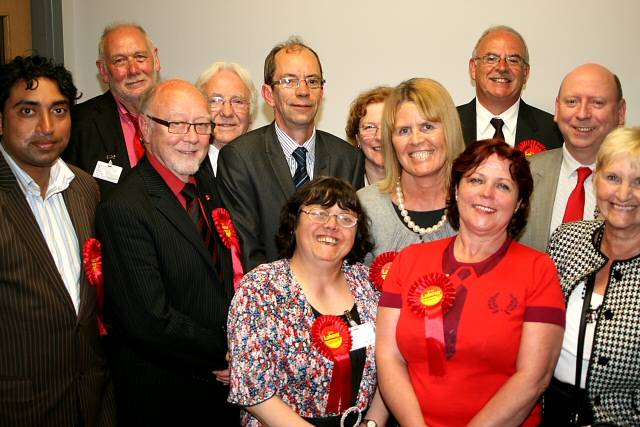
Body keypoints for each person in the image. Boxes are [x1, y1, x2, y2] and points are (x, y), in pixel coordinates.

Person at [376, 139, 566, 426]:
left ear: (520, 203)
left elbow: (534, 378)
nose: (487, 193)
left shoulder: (539, 270)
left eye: (503, 186)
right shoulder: (409, 260)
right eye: (476, 179)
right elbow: (389, 357)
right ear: (455, 189)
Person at [95, 80, 239, 425]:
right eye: (175, 124)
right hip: (166, 396)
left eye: (202, 125)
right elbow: (150, 319)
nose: (191, 137)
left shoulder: (204, 185)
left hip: (219, 393)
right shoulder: (124, 208)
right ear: (145, 127)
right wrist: (224, 352)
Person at [0, 55, 115, 425]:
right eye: (28, 111)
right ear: (1, 119)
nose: (47, 126)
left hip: (90, 401)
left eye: (59, 110)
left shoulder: (84, 187)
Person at [228, 177, 387, 427]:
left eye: (346, 218)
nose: (332, 225)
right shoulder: (260, 289)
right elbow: (253, 391)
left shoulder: (367, 284)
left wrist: (372, 423)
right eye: (319, 213)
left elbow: (391, 364)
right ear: (294, 223)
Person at [217, 36, 364, 271]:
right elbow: (247, 250)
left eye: (312, 81)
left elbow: (352, 245)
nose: (303, 91)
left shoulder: (348, 158)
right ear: (268, 94)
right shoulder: (240, 157)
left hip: (333, 299)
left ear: (321, 91)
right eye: (289, 81)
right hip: (268, 300)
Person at [543, 127, 640, 426]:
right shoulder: (567, 239)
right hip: (548, 411)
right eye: (613, 178)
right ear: (596, 179)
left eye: (639, 182)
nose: (623, 194)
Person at [518, 63, 626, 251]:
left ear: (620, 112)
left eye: (597, 103)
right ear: (557, 109)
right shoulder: (522, 175)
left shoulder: (634, 187)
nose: (582, 114)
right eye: (572, 102)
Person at [358, 78, 465, 261]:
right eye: (404, 131)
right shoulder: (364, 206)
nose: (416, 140)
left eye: (427, 126)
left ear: (450, 131)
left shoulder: (476, 203)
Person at [63, 22, 161, 197]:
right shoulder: (78, 125)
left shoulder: (182, 118)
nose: (133, 70)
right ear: (103, 70)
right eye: (120, 61)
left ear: (156, 60)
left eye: (140, 57)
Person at [457, 25, 562, 153]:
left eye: (513, 60)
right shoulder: (448, 124)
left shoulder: (555, 132)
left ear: (525, 73)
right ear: (473, 68)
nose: (502, 68)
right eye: (491, 59)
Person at [195, 61, 257, 175]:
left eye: (238, 101)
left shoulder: (268, 166)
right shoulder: (186, 164)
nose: (227, 112)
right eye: (215, 101)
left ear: (251, 114)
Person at [345, 86, 392, 185]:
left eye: (387, 127)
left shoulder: (421, 186)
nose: (380, 137)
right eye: (369, 127)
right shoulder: (342, 188)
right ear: (357, 138)